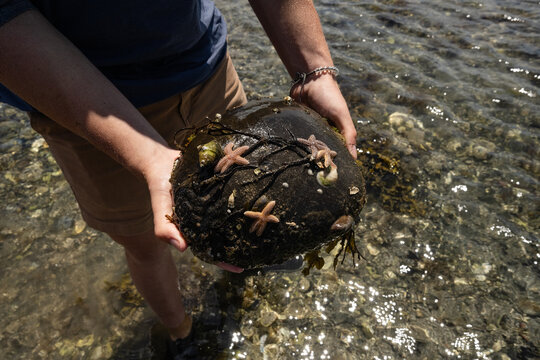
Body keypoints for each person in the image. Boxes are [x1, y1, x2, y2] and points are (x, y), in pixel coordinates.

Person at [0, 0, 357, 357]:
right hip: (78, 104)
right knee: (144, 244)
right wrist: (147, 156)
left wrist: (313, 70)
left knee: (244, 197)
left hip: (204, 64)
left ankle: (246, 268)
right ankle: (179, 331)